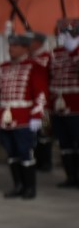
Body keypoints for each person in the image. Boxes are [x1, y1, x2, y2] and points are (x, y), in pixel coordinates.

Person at [0, 33, 49, 199]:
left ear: (25, 48)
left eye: (15, 46)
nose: (11, 49)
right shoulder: (4, 67)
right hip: (6, 116)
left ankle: (29, 188)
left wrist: (37, 115)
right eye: (10, 45)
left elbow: (41, 93)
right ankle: (18, 185)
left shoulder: (35, 67)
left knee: (25, 152)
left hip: (24, 116)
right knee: (11, 154)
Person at [51, 18, 79, 187]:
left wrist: (75, 50)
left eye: (66, 33)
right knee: (65, 144)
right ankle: (71, 177)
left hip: (76, 105)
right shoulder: (56, 52)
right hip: (59, 105)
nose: (62, 36)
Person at [28, 31, 54, 172]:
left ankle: (46, 162)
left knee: (44, 132)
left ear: (38, 43)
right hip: (30, 103)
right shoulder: (28, 58)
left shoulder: (47, 57)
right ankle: (37, 160)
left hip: (45, 103)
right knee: (34, 135)